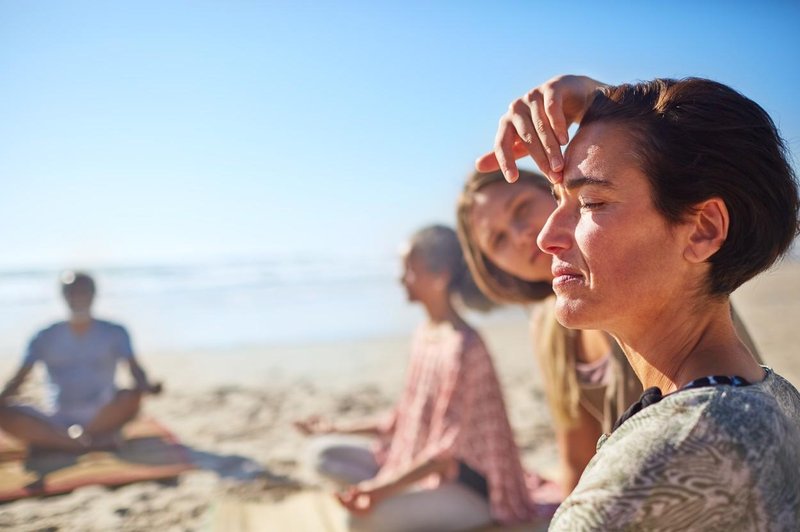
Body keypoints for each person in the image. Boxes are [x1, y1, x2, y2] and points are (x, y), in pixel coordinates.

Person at [479, 74, 800, 529]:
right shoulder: (772, 397)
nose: (546, 237)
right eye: (556, 198)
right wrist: (612, 106)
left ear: (705, 229)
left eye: (589, 202)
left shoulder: (652, 470)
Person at [456, 168, 762, 495]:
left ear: (557, 193)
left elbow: (733, 412)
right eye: (498, 239)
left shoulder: (647, 276)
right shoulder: (550, 325)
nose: (519, 235)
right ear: (494, 266)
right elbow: (577, 460)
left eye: (521, 208)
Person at [295, 225, 559, 531]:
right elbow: (404, 418)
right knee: (321, 453)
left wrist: (379, 491)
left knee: (357, 520)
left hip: (468, 489)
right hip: (415, 466)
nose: (400, 278)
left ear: (441, 276)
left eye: (409, 269)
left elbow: (444, 454)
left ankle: (420, 502)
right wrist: (335, 428)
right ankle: (406, 496)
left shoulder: (465, 346)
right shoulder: (425, 334)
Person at [0, 271, 162, 452]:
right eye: (72, 292)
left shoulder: (115, 332)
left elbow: (136, 371)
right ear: (64, 296)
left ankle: (63, 441)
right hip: (56, 415)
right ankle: (82, 443)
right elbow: (19, 378)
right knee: (4, 413)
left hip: (102, 413)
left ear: (93, 295)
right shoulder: (45, 336)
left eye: (83, 292)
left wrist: (148, 386)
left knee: (131, 396)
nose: (78, 297)